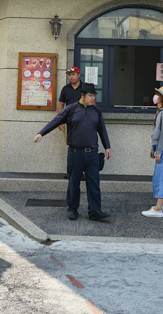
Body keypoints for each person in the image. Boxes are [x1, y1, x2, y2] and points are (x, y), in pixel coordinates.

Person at [34, 82, 112, 221]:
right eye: (91, 95)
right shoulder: (71, 109)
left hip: (93, 153)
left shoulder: (96, 111)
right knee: (73, 182)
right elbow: (55, 121)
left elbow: (102, 130)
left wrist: (107, 146)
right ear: (82, 95)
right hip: (75, 153)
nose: (93, 98)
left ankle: (94, 211)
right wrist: (41, 133)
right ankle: (72, 208)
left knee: (94, 183)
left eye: (94, 95)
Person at [142, 86, 163, 218]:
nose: (155, 97)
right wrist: (153, 148)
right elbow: (157, 133)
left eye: (157, 94)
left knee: (161, 176)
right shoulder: (161, 112)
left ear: (162, 98)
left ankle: (158, 209)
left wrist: (159, 151)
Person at [57, 66, 83, 133]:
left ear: (79, 75)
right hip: (68, 120)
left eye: (73, 74)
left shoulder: (85, 88)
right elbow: (61, 104)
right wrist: (59, 121)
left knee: (82, 142)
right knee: (69, 142)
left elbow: (92, 104)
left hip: (83, 120)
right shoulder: (65, 89)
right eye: (70, 75)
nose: (71, 76)